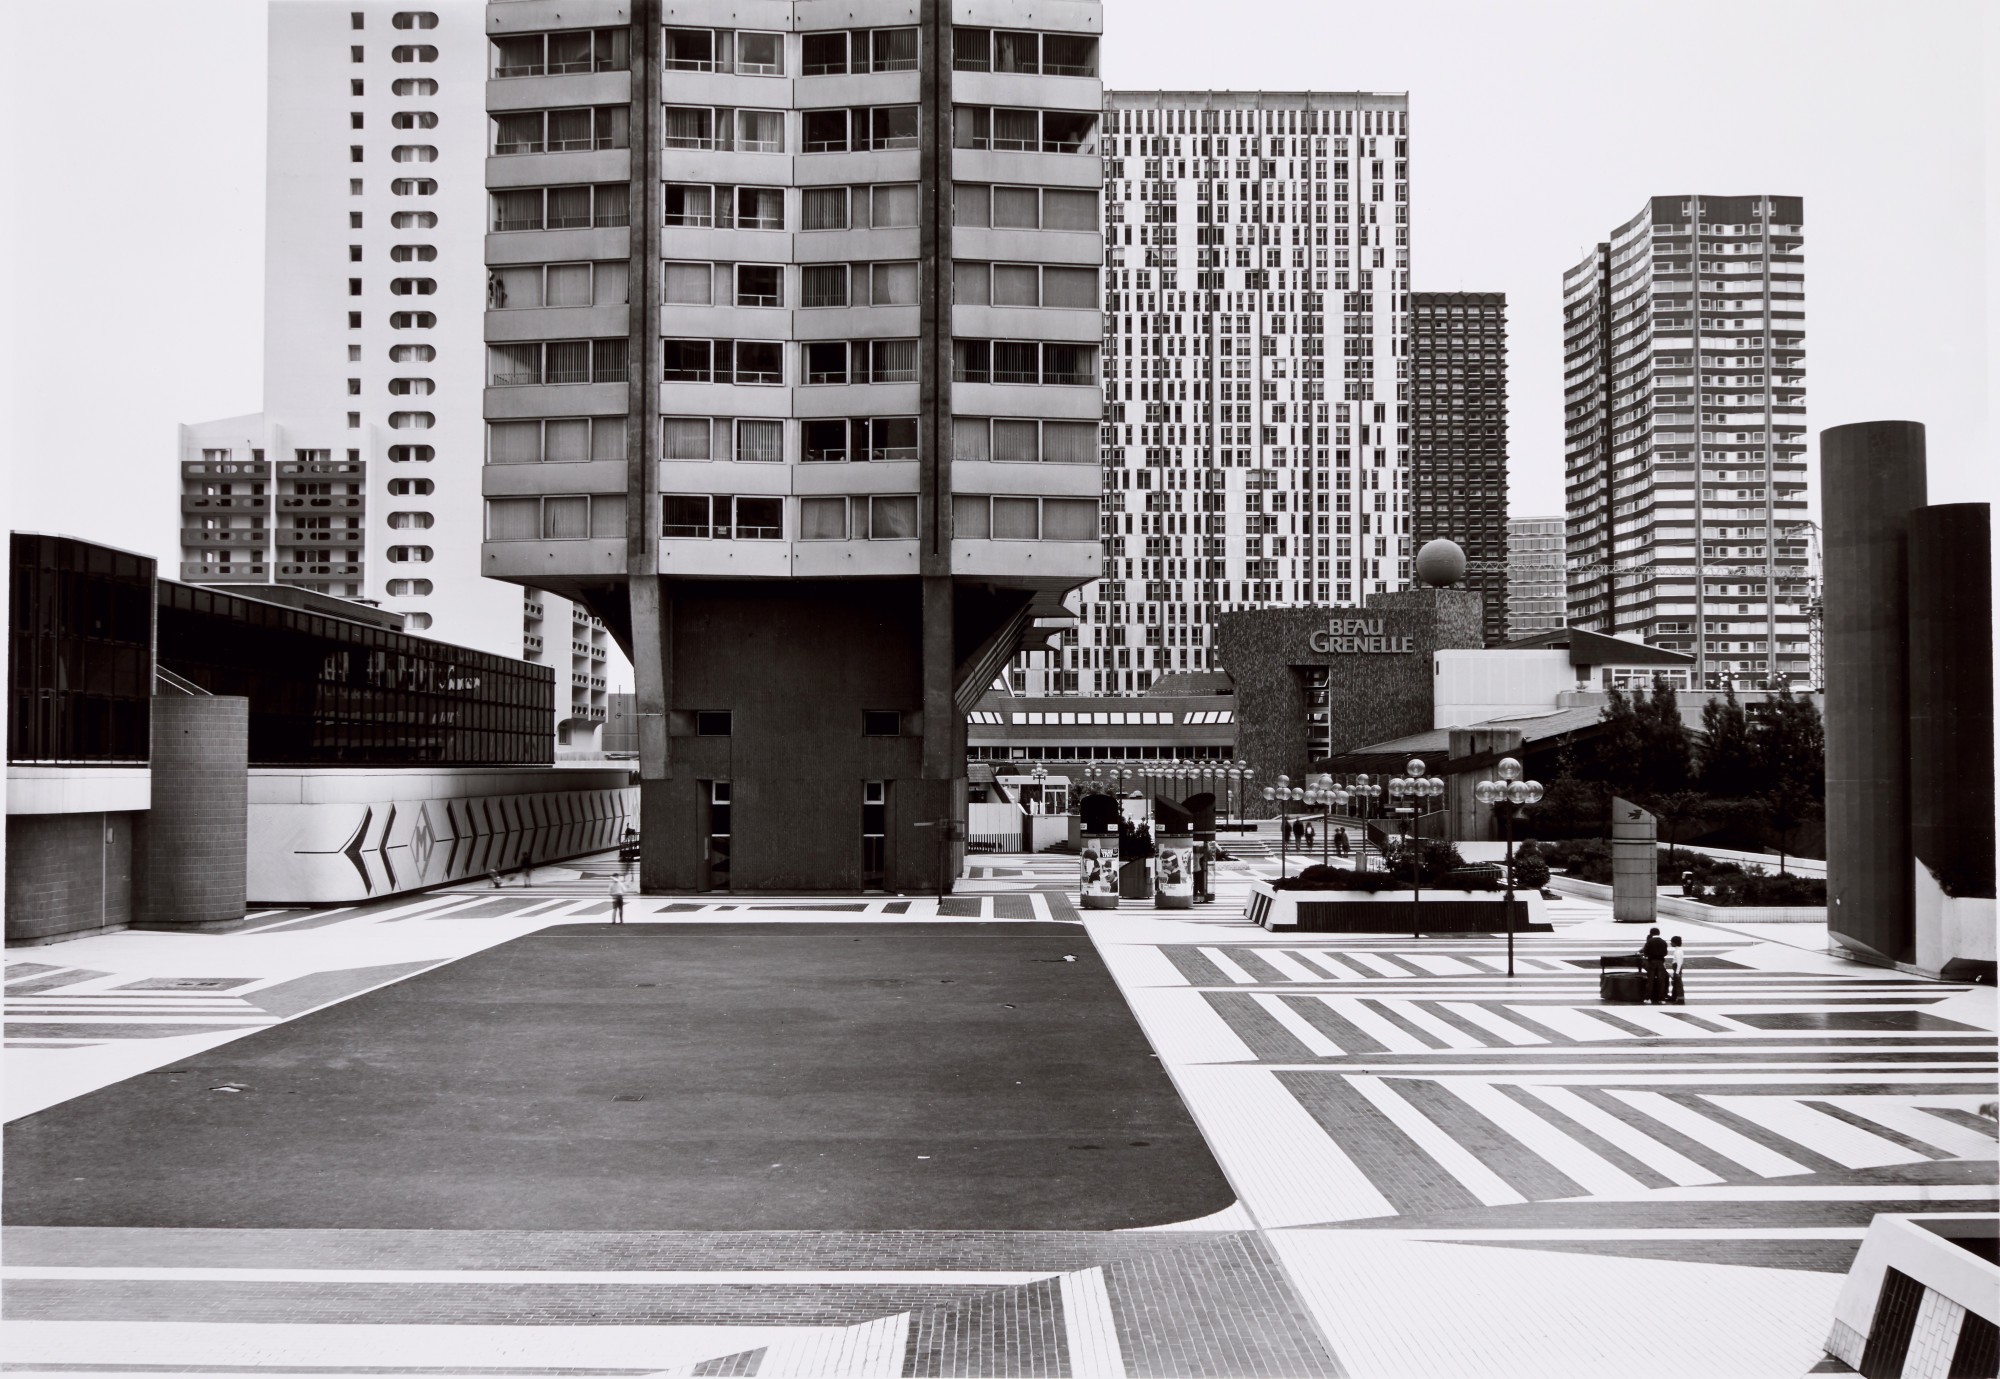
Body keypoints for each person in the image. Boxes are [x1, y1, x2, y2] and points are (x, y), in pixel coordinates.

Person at [1641, 927, 1670, 1004]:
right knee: (1661, 980)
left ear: (1651, 933)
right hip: (1660, 962)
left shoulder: (1649, 941)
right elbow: (1665, 953)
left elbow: (1645, 951)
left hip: (1652, 962)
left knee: (1650, 980)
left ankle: (1648, 998)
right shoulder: (1663, 942)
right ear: (1659, 933)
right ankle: (1662, 999)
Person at [1666, 934, 1687, 1004]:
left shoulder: (1678, 951)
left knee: (1678, 984)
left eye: (1671, 942)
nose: (1670, 943)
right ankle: (1674, 996)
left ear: (1675, 943)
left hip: (1677, 968)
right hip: (1676, 968)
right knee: (1675, 983)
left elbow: (1679, 962)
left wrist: (1677, 972)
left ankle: (1680, 998)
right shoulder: (1678, 950)